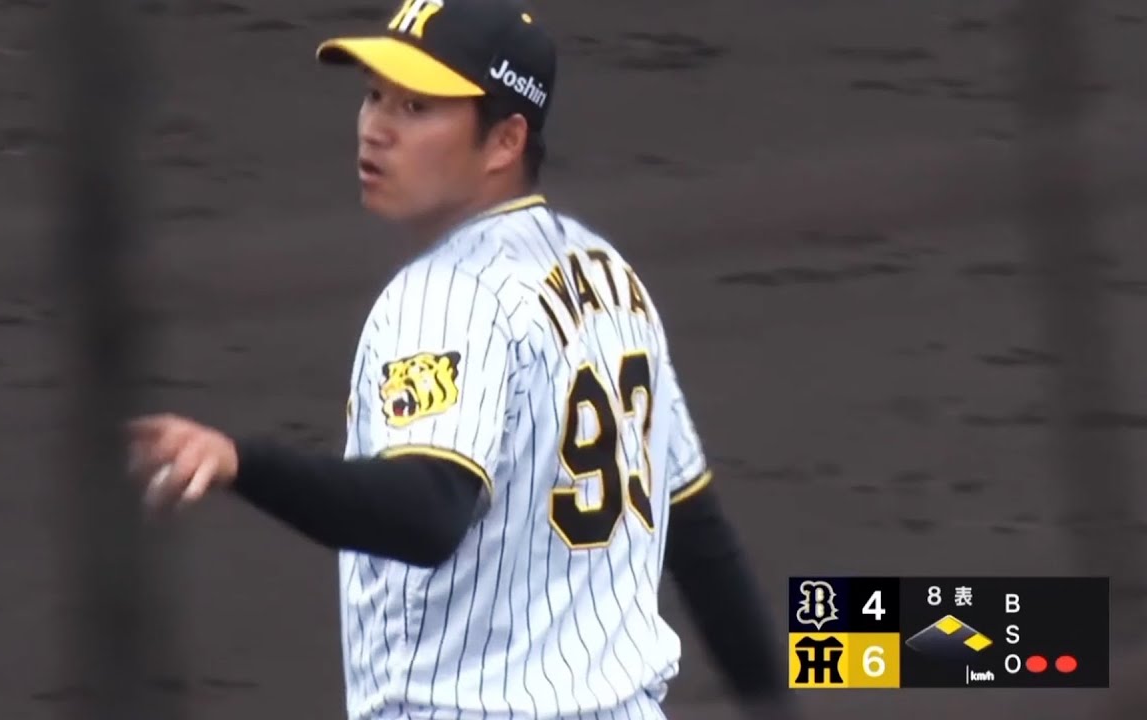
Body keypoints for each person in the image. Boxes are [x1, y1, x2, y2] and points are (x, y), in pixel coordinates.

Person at [127, 0, 795, 718]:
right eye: (374, 95)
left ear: (505, 140)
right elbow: (698, 536)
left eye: (416, 107)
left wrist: (241, 463)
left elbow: (427, 512)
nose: (376, 128)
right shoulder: (608, 277)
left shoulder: (447, 292)